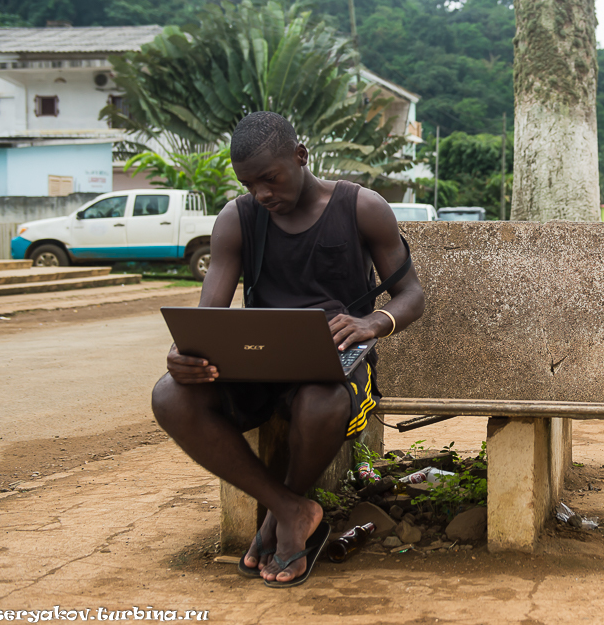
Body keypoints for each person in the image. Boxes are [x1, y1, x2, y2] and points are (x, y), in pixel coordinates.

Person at [151, 112, 425, 587]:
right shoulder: (238, 219)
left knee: (323, 398)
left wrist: (371, 323)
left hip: (337, 364)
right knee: (169, 395)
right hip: (259, 363)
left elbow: (412, 296)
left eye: (270, 178)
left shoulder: (362, 207)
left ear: (300, 157)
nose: (262, 193)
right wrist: (184, 354)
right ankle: (290, 509)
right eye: (250, 183)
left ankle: (287, 512)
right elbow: (206, 318)